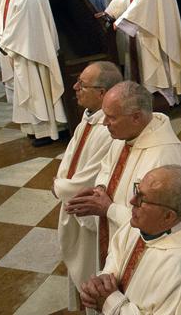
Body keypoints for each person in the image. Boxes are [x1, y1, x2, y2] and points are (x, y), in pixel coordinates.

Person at [64, 82, 181, 270]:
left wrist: (109, 209)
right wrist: (100, 189)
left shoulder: (162, 161)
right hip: (120, 241)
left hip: (155, 259)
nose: (104, 122)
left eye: (111, 117)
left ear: (136, 117)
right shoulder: (128, 134)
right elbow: (107, 167)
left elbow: (162, 222)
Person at [80, 165, 181, 314]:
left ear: (168, 216)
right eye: (137, 191)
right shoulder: (143, 223)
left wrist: (110, 302)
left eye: (142, 199)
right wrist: (103, 281)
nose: (132, 201)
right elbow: (116, 253)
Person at [55, 61, 122, 308]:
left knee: (91, 266)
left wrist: (60, 188)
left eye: (82, 84)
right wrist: (61, 180)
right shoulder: (90, 117)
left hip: (86, 209)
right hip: (72, 199)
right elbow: (71, 155)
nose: (75, 87)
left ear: (102, 93)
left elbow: (90, 178)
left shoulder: (108, 129)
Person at [0, 0, 67, 143]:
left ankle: (47, 130)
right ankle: (34, 127)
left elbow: (22, 26)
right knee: (27, 88)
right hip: (20, 49)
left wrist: (5, 43)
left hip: (31, 51)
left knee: (36, 89)